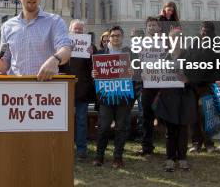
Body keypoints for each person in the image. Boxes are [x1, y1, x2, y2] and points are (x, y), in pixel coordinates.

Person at [0, 0, 73, 79]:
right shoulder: (7, 27)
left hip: (46, 89)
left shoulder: (55, 21)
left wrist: (55, 59)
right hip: (16, 90)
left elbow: (66, 48)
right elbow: (6, 62)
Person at [153, 25, 197, 172]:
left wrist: (188, 79)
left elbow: (198, 75)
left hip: (185, 97)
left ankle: (183, 158)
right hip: (169, 98)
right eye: (173, 38)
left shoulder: (189, 56)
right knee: (170, 130)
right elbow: (156, 76)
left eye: (179, 38)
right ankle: (170, 158)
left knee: (183, 129)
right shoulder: (164, 57)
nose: (176, 41)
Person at [92, 26, 136, 169]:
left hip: (123, 97)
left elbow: (137, 72)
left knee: (121, 128)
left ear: (122, 37)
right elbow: (94, 75)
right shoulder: (100, 54)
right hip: (106, 97)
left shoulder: (129, 53)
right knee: (103, 127)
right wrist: (94, 75)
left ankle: (118, 158)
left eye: (118, 35)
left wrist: (132, 72)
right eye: (113, 36)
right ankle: (99, 156)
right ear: (108, 38)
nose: (115, 38)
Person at [187, 21, 219, 154]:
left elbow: (219, 64)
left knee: (208, 115)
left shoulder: (216, 46)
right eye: (203, 30)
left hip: (207, 86)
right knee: (194, 116)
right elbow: (186, 60)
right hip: (193, 85)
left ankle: (209, 143)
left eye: (208, 31)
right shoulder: (193, 44)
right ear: (200, 31)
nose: (205, 33)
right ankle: (196, 143)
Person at [68, 19, 96, 160]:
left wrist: (92, 54)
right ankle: (66, 147)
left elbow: (95, 68)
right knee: (65, 121)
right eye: (75, 29)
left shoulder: (90, 47)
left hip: (82, 90)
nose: (78, 31)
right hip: (65, 89)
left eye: (80, 29)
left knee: (81, 120)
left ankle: (81, 149)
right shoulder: (63, 46)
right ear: (70, 30)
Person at [137, 17, 163, 156]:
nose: (152, 27)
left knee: (165, 114)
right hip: (147, 82)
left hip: (163, 82)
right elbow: (139, 61)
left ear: (159, 27)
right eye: (149, 25)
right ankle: (147, 146)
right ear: (147, 28)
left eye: (154, 25)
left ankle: (170, 144)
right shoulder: (141, 43)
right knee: (146, 116)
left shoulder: (165, 42)